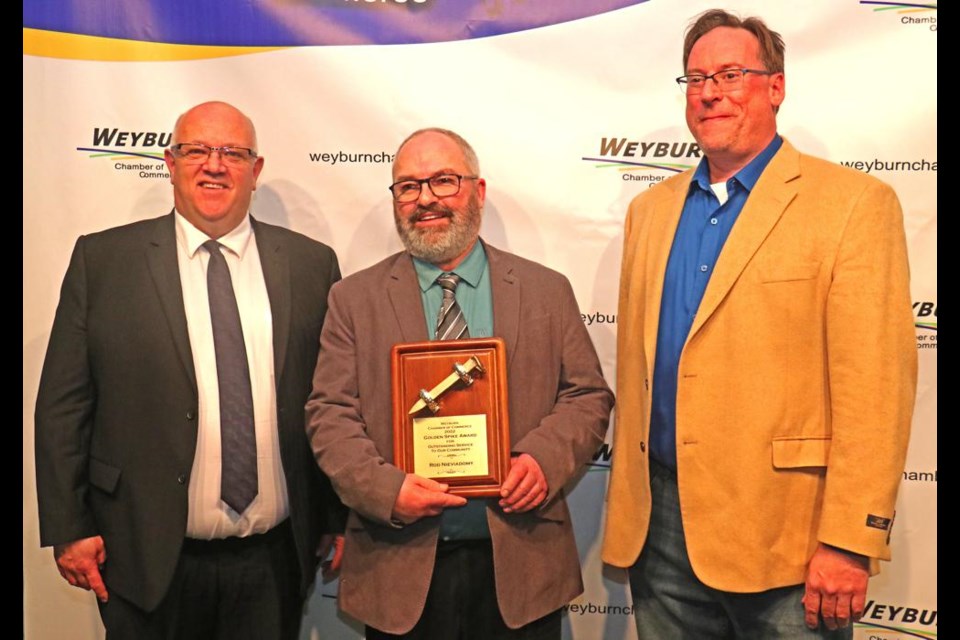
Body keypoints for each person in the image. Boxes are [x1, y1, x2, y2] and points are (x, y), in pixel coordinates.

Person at [602, 9, 917, 639]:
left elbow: (876, 389)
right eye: (695, 79)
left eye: (730, 73)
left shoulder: (853, 205)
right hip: (660, 527)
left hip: (790, 539)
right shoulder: (648, 212)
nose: (711, 91)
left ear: (775, 86)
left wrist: (849, 541)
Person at [35, 101, 344, 639]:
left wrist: (337, 516)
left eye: (232, 152)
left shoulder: (312, 264)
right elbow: (64, 406)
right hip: (143, 554)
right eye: (196, 150)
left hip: (273, 562)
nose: (214, 164)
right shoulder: (104, 261)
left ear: (256, 168)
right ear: (169, 162)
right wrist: (69, 526)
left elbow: (334, 402)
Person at [305, 128, 614, 639]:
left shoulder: (545, 290)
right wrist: (386, 489)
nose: (425, 199)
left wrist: (542, 458)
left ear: (478, 190)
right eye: (408, 186)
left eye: (443, 181)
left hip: (522, 564)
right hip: (398, 569)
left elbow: (587, 394)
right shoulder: (353, 300)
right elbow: (329, 413)